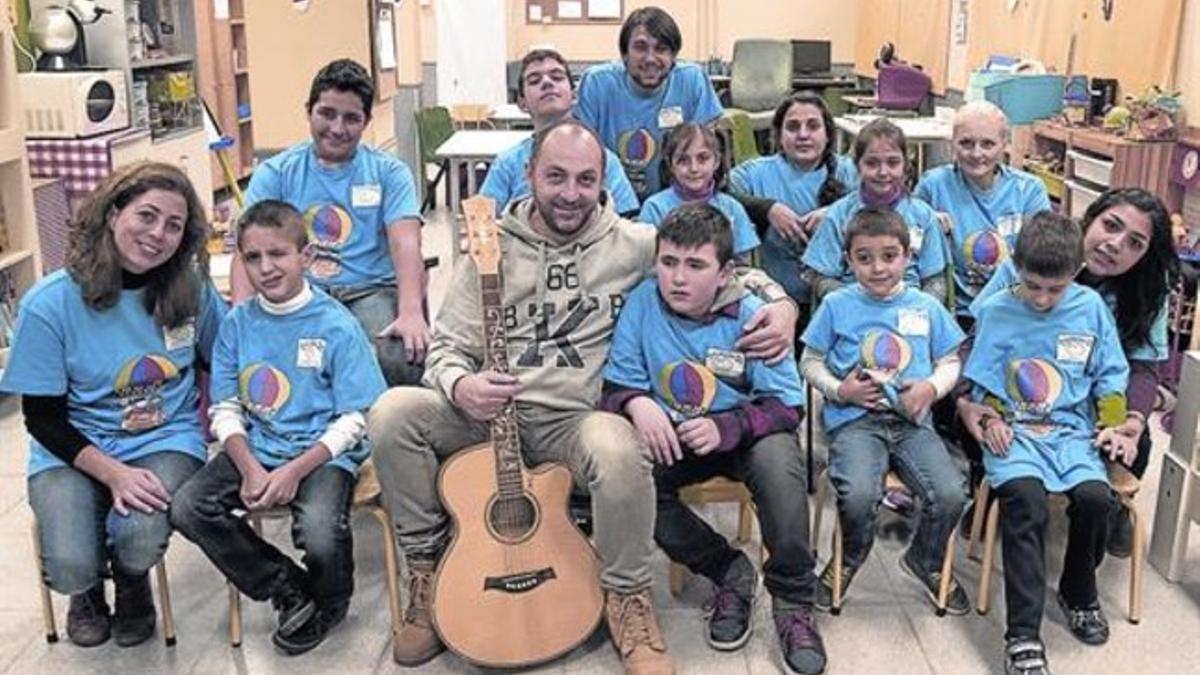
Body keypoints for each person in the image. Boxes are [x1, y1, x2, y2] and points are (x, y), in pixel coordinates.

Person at [368, 119, 797, 674]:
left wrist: (782, 303)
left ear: (604, 183)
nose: (570, 194)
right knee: (391, 413)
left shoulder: (635, 244)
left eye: (585, 179)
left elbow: (725, 269)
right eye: (556, 177)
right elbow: (447, 348)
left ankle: (627, 598)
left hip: (576, 418)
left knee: (620, 449)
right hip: (489, 415)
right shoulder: (489, 247)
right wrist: (460, 384)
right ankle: (427, 573)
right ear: (528, 175)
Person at [0, 162, 225, 647]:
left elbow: (223, 363)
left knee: (139, 535)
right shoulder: (50, 303)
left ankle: (130, 579)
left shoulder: (191, 290)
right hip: (73, 447)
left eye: (174, 225)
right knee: (70, 565)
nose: (157, 234)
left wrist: (220, 427)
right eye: (146, 216)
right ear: (111, 212)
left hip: (167, 438)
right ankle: (85, 591)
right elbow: (43, 419)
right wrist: (113, 474)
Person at [601, 203, 826, 675]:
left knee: (783, 472)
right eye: (668, 262)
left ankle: (793, 603)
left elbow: (787, 405)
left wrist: (728, 427)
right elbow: (618, 384)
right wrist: (636, 403)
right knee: (630, 483)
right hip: (675, 433)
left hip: (745, 430)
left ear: (726, 273)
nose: (678, 279)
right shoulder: (642, 302)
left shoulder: (755, 314)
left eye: (695, 265)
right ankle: (729, 572)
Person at [170, 201, 387, 655]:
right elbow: (226, 406)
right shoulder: (237, 324)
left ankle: (331, 600)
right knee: (189, 506)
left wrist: (293, 471)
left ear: (305, 257)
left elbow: (355, 418)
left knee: (321, 530)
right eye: (253, 257)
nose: (266, 268)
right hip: (259, 445)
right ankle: (285, 584)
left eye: (278, 254)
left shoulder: (336, 326)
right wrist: (249, 467)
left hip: (323, 452)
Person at [962, 188, 1177, 556]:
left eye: (1134, 243)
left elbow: (1142, 370)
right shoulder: (1032, 259)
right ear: (1090, 218)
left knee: (1135, 444)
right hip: (1018, 392)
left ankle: (1109, 505)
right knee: (968, 414)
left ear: (1145, 255)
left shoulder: (1148, 291)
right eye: (1111, 225)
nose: (1115, 244)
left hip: (1092, 396)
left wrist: (1132, 419)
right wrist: (968, 401)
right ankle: (994, 486)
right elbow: (974, 343)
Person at [961, 212, 1132, 675]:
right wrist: (992, 414)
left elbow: (1111, 375)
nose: (1041, 298)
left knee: (1097, 499)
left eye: (1054, 289)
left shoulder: (1091, 308)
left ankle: (1078, 591)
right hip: (1014, 431)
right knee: (1026, 503)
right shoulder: (997, 309)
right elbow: (983, 378)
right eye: (1032, 285)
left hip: (1072, 431)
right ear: (1016, 267)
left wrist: (1113, 425)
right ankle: (1022, 634)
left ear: (1076, 273)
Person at [799, 208, 969, 615]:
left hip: (911, 424)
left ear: (908, 258)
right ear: (848, 260)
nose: (878, 268)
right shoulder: (837, 303)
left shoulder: (926, 306)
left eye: (889, 256)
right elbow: (809, 362)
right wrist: (841, 390)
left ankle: (924, 561)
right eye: (864, 258)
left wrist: (930, 387)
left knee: (949, 495)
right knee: (858, 495)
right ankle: (848, 560)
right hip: (855, 423)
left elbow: (951, 361)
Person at [234, 58, 429, 387]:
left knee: (399, 358)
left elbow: (405, 242)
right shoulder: (277, 173)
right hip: (298, 291)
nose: (338, 128)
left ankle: (380, 435)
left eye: (351, 118)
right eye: (327, 114)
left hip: (370, 291)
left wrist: (411, 312)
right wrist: (240, 315)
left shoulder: (389, 173)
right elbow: (247, 248)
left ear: (366, 121)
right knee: (280, 365)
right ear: (308, 110)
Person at [914, 101, 1050, 322]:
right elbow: (909, 250)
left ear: (1004, 144)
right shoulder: (933, 185)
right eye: (966, 143)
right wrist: (926, 222)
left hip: (1012, 311)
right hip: (951, 314)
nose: (977, 154)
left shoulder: (1029, 191)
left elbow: (1041, 261)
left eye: (988, 144)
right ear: (952, 145)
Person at [575, 6, 724, 201]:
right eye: (640, 47)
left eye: (661, 49)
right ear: (625, 54)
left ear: (673, 56)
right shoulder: (597, 83)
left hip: (675, 204)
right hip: (609, 205)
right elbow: (581, 156)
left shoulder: (692, 81)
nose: (650, 58)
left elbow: (703, 159)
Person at [802, 118, 949, 305]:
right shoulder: (839, 215)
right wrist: (856, 303)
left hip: (908, 312)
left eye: (893, 163)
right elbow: (821, 277)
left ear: (905, 164)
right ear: (857, 165)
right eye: (872, 163)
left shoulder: (923, 216)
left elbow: (935, 279)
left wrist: (921, 309)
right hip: (854, 310)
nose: (883, 172)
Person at [729, 92, 856, 306]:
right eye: (793, 127)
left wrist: (836, 213)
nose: (803, 135)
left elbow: (883, 204)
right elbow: (716, 192)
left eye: (813, 126)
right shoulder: (754, 173)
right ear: (779, 135)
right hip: (775, 300)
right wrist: (767, 209)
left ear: (827, 135)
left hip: (840, 299)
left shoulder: (850, 171)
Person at [479, 48, 639, 216]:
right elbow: (481, 223)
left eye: (557, 77)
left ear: (574, 95)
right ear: (522, 103)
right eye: (534, 81)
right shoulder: (507, 163)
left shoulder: (604, 159)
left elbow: (627, 220)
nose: (547, 83)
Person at [637, 122, 759, 261]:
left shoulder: (732, 208)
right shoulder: (655, 208)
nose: (694, 168)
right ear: (671, 165)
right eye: (683, 160)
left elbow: (742, 265)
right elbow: (647, 265)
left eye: (702, 158)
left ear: (716, 161)